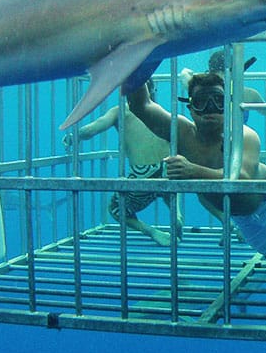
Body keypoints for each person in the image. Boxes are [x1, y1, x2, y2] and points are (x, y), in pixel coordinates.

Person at [127, 71, 266, 257]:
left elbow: (242, 178)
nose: (210, 108)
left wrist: (192, 170)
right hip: (242, 214)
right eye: (201, 101)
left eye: (218, 101)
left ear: (228, 106)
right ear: (190, 107)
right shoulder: (181, 132)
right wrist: (139, 62)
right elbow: (140, 105)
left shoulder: (242, 135)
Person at [63, 78, 182, 246]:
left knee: (115, 208)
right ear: (152, 91)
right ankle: (176, 216)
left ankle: (152, 231)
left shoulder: (120, 111)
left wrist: (72, 137)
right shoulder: (161, 112)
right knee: (167, 190)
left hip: (143, 172)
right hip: (170, 168)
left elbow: (92, 129)